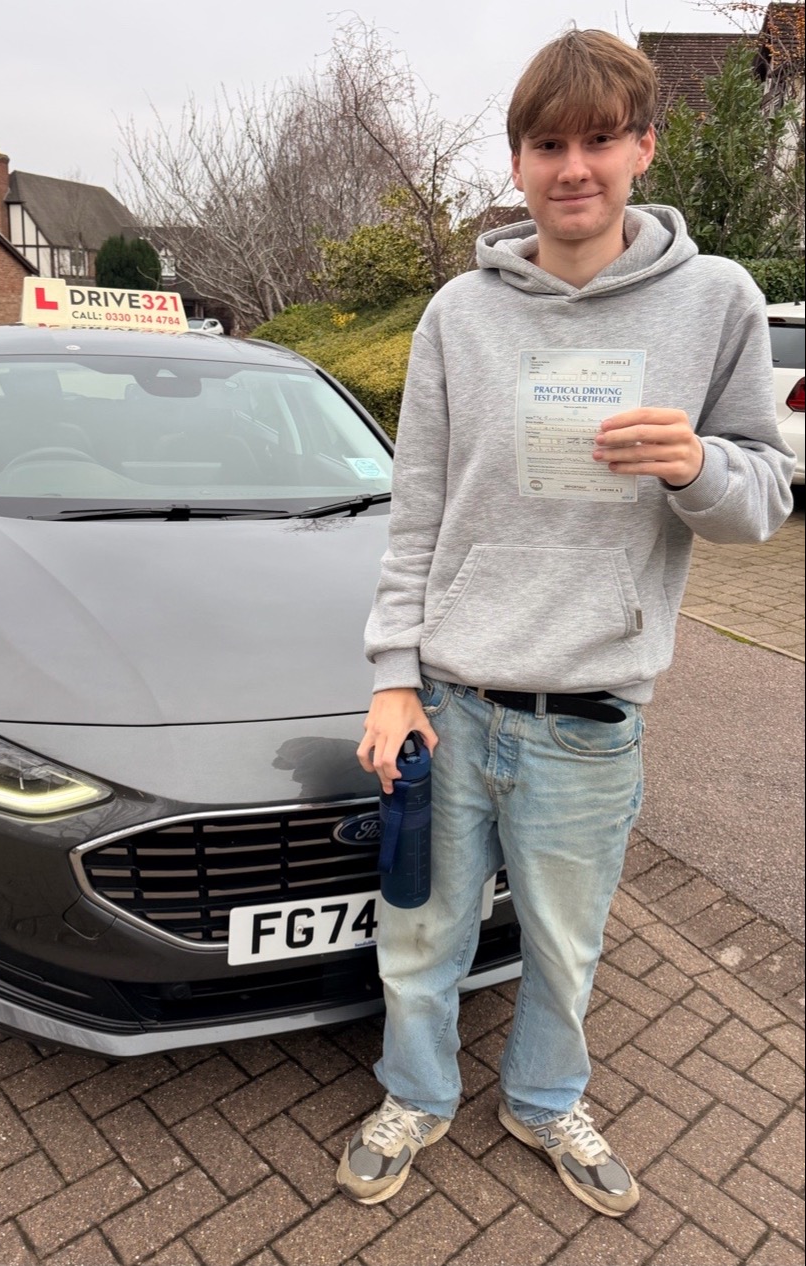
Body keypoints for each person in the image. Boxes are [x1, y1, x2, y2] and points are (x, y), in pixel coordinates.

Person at [336, 27, 794, 1218]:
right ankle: (416, 1095)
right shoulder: (455, 315)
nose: (572, 166)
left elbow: (762, 498)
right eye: (547, 143)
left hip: (590, 719)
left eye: (599, 139)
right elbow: (415, 510)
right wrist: (391, 672)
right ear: (518, 160)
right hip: (447, 701)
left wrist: (696, 463)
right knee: (421, 941)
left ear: (642, 146)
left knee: (564, 948)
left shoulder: (716, 302)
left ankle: (544, 1103)